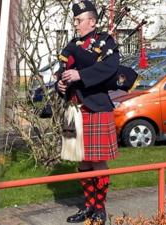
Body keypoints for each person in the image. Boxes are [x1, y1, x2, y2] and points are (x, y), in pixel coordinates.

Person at [55, 1, 119, 224]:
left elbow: (110, 69)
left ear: (92, 21)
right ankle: (88, 207)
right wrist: (60, 85)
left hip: (95, 108)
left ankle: (100, 209)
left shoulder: (106, 42)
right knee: (80, 159)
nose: (76, 24)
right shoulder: (72, 45)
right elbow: (61, 72)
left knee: (96, 160)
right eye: (75, 20)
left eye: (79, 20)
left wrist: (80, 76)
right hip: (73, 109)